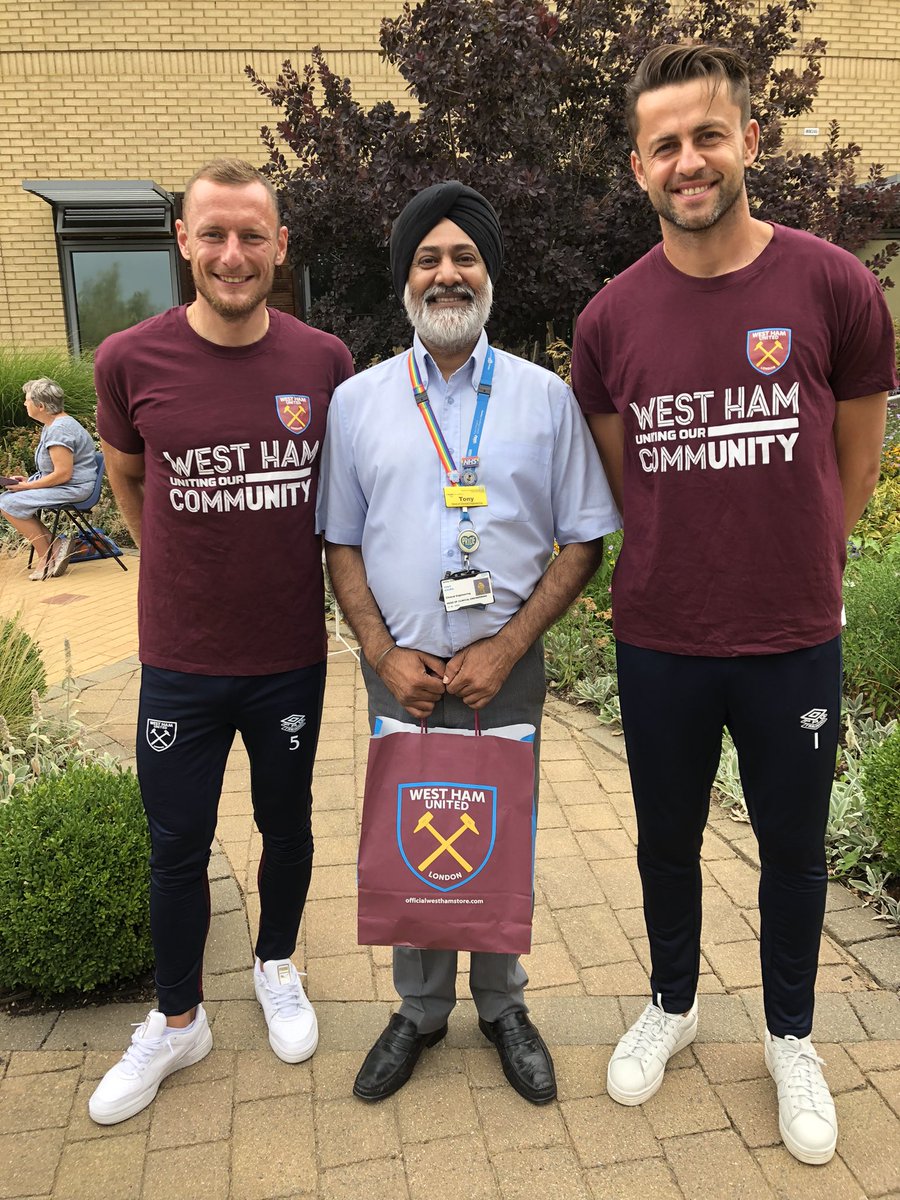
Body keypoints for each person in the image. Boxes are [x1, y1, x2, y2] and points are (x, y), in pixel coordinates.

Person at [571, 44, 896, 1166]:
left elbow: (855, 462)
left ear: (750, 142)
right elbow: (627, 479)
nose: (689, 160)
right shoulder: (609, 321)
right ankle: (672, 1002)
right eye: (665, 144)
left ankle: (791, 1034)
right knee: (666, 839)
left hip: (791, 637)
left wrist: (797, 553)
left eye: (708, 135)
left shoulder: (831, 285)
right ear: (639, 166)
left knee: (795, 850)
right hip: (662, 636)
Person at [318, 181, 619, 1104]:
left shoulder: (544, 399)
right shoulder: (359, 402)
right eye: (427, 259)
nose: (446, 274)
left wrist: (506, 645)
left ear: (488, 275)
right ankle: (417, 1010)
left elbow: (582, 541)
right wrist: (379, 652)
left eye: (464, 258)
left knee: (501, 831)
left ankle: (502, 1006)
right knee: (409, 836)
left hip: (505, 672)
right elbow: (341, 540)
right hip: (398, 672)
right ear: (405, 280)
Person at [89, 158, 354, 1125]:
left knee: (286, 829)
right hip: (182, 661)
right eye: (214, 234)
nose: (232, 254)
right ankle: (178, 1019)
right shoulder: (127, 359)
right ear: (184, 242)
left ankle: (276, 963)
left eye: (252, 235)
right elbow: (126, 478)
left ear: (281, 247)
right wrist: (178, 566)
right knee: (175, 845)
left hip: (287, 655)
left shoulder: (324, 362)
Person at [0, 378, 97, 579]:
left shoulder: (60, 429)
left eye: (27, 400)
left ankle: (48, 555)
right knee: (7, 500)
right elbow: (56, 470)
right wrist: (26, 481)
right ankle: (56, 546)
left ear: (41, 406)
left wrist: (28, 487)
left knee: (7, 503)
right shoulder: (53, 424)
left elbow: (63, 474)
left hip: (73, 488)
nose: (25, 404)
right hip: (65, 484)